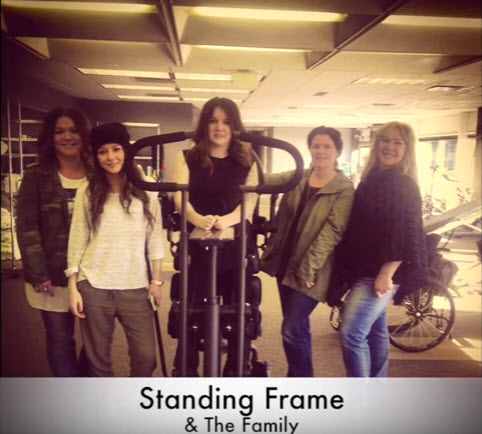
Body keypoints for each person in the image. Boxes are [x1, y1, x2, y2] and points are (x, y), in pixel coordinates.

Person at [327, 121, 428, 377]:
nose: (390, 147)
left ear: (407, 149)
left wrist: (387, 273)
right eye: (385, 140)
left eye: (398, 142)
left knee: (352, 333)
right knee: (376, 331)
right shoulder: (371, 179)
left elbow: (403, 233)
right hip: (364, 267)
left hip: (381, 271)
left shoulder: (403, 183)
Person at [66, 122, 165, 377]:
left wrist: (156, 281)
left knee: (146, 359)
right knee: (97, 361)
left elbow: (155, 238)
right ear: (95, 156)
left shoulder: (146, 189)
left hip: (136, 287)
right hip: (94, 286)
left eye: (116, 149)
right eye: (102, 151)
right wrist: (73, 288)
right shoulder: (87, 191)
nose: (110, 157)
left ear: (127, 150)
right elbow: (78, 239)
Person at [173, 97, 258, 376]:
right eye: (213, 121)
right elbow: (180, 198)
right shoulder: (187, 157)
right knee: (189, 314)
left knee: (240, 315)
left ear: (235, 126)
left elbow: (250, 202)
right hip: (197, 246)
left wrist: (225, 221)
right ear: (204, 125)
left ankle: (236, 373)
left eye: (226, 122)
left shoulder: (248, 159)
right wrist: (199, 219)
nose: (219, 128)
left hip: (235, 246)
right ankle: (186, 375)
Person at [260, 126, 354, 377]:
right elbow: (264, 179)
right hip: (285, 263)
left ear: (337, 151)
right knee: (297, 326)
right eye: (316, 146)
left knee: (291, 328)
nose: (320, 151)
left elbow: (332, 232)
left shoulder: (344, 189)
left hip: (313, 270)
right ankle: (299, 377)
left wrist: (308, 269)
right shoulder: (299, 177)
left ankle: (301, 380)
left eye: (327, 147)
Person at [16, 107, 92, 376]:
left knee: (97, 339)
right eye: (59, 131)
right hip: (52, 275)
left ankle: (84, 384)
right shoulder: (37, 175)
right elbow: (27, 227)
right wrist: (38, 272)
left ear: (84, 134)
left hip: (92, 274)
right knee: (60, 339)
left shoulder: (98, 172)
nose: (67, 137)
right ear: (50, 136)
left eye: (73, 130)